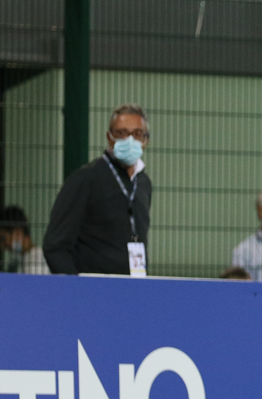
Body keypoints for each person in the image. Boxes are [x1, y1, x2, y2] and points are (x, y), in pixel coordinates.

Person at [43, 104, 153, 275]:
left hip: (134, 284)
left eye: (137, 134)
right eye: (121, 133)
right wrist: (77, 286)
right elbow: (55, 246)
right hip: (93, 286)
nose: (130, 140)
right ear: (109, 137)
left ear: (146, 140)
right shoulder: (85, 179)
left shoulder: (144, 183)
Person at [0, 206, 50, 275]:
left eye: (3, 239)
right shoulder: (17, 261)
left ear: (18, 233)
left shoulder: (39, 261)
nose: (2, 246)